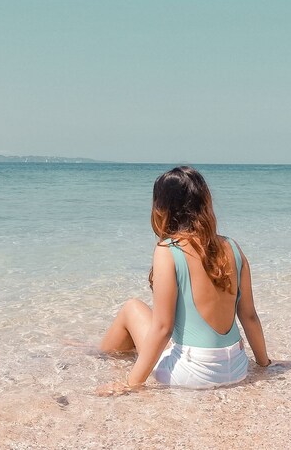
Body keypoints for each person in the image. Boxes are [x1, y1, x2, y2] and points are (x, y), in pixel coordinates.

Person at [97, 166, 271, 395]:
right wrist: (265, 364)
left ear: (161, 208)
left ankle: (98, 356)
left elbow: (163, 327)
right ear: (205, 203)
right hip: (237, 367)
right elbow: (249, 316)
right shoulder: (232, 247)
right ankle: (99, 353)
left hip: (193, 374)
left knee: (132, 308)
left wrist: (131, 384)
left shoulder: (168, 250)